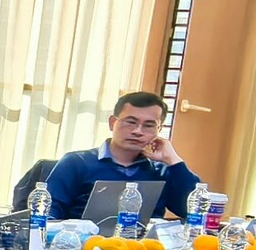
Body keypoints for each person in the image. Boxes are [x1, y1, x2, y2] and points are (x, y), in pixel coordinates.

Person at [45, 91, 202, 222]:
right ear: (112, 123)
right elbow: (48, 211)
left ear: (159, 130)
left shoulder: (162, 171)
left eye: (149, 125)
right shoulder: (76, 162)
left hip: (143, 247)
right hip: (85, 245)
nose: (137, 131)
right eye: (130, 122)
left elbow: (194, 212)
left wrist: (174, 160)